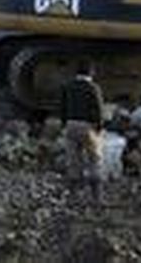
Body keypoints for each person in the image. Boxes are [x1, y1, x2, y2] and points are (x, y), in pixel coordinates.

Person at [59, 70, 106, 200]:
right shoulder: (93, 87)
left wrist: (64, 124)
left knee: (73, 160)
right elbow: (99, 108)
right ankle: (96, 196)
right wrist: (100, 127)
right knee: (94, 159)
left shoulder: (67, 86)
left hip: (70, 125)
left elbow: (62, 107)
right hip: (88, 127)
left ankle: (73, 195)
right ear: (90, 74)